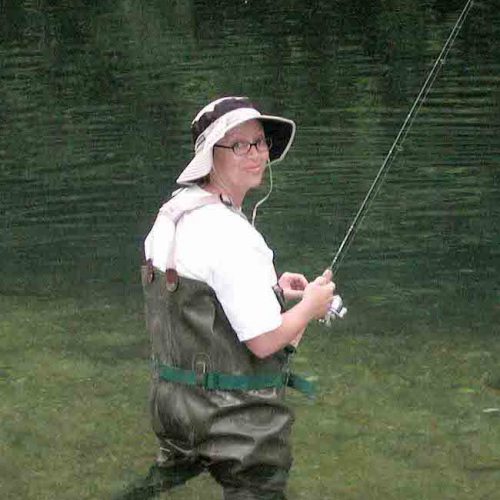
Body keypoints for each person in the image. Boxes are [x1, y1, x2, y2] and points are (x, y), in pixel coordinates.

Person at [121, 97, 335, 499]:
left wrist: (272, 291)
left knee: (166, 477)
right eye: (238, 145)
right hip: (237, 424)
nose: (255, 155)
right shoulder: (234, 236)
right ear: (209, 156)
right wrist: (310, 307)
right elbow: (265, 340)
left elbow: (200, 302)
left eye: (259, 143)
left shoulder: (171, 214)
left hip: (172, 408)